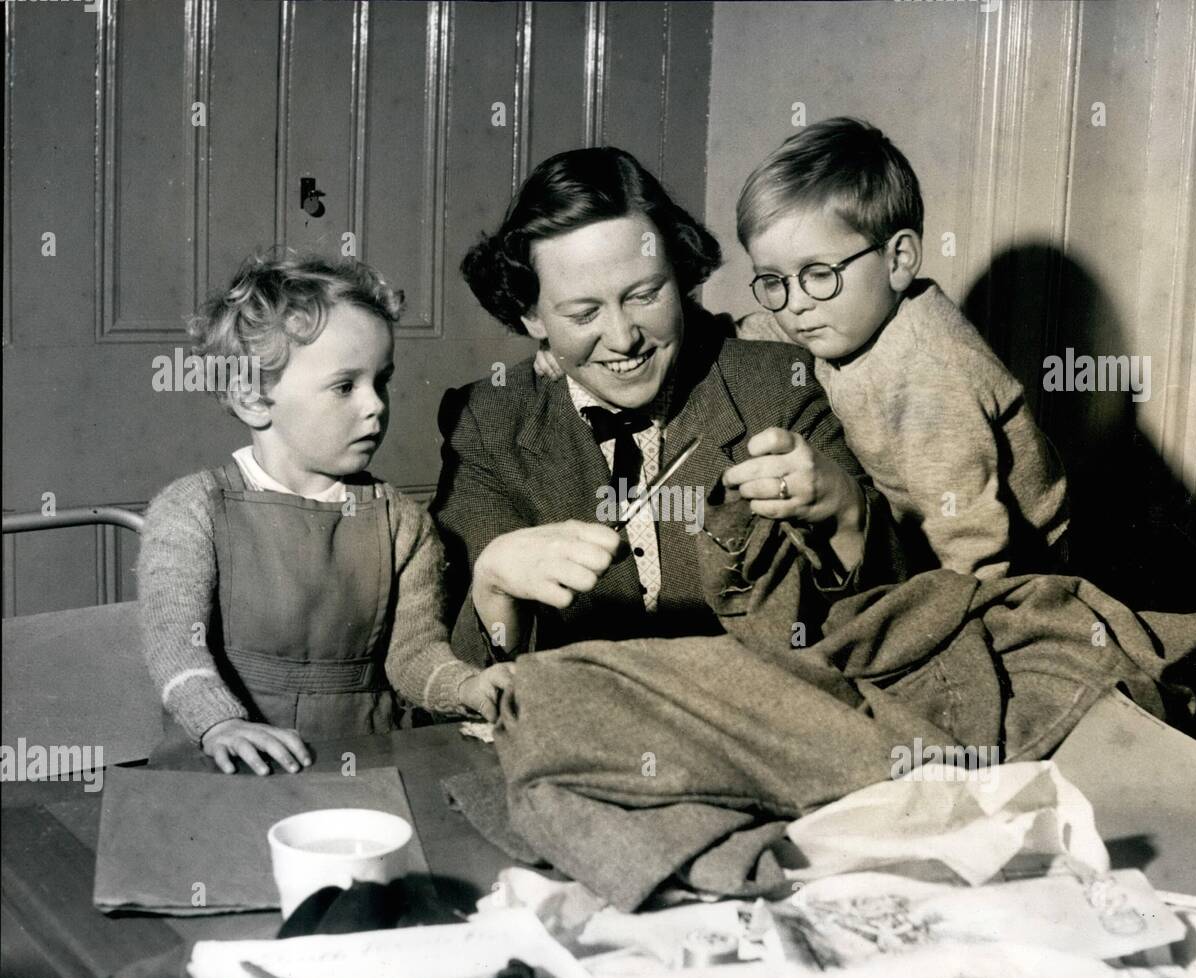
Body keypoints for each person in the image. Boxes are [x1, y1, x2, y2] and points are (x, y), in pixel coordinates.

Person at [435, 147, 901, 665]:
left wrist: (849, 513)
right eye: (584, 311)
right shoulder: (486, 421)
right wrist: (494, 588)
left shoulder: (776, 383)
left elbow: (893, 615)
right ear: (534, 320)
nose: (622, 339)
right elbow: (454, 679)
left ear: (680, 278)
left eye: (644, 295)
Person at [137, 252, 511, 776]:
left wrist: (467, 685)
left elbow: (414, 657)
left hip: (367, 759)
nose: (376, 405)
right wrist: (218, 724)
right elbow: (175, 647)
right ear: (252, 398)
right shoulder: (192, 509)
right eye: (345, 386)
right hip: (226, 764)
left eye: (381, 381)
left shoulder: (402, 523)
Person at [734, 118, 1070, 580]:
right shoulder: (836, 314)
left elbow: (975, 545)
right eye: (773, 280)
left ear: (898, 260)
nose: (794, 306)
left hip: (1021, 570)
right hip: (921, 549)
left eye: (818, 273)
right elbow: (759, 329)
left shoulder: (929, 372)